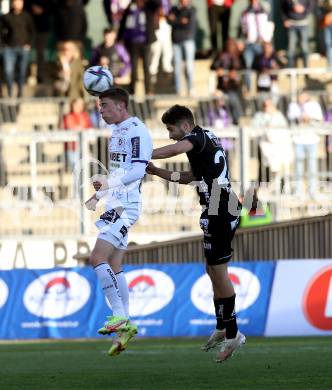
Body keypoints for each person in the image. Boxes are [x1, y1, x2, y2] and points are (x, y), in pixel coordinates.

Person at [146, 105, 245, 363]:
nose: (170, 135)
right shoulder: (205, 138)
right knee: (212, 270)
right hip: (219, 206)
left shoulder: (195, 139)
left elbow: (177, 149)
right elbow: (190, 176)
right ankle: (223, 326)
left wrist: (143, 154)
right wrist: (157, 172)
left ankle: (233, 333)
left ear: (186, 126)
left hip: (219, 208)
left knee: (219, 272)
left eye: (171, 129)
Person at [85, 87, 153, 356]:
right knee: (114, 263)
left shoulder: (137, 130)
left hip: (125, 206)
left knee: (96, 257)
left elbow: (138, 169)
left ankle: (120, 316)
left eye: (104, 106)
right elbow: (119, 171)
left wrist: (108, 184)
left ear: (121, 106)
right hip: (115, 203)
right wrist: (98, 195)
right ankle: (125, 326)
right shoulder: (117, 133)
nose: (100, 111)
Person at [62, 97, 92, 171]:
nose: (79, 106)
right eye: (77, 104)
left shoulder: (85, 115)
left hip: (84, 147)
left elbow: (89, 128)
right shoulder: (68, 116)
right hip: (72, 148)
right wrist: (80, 128)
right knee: (75, 169)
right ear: (72, 105)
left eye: (81, 105)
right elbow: (71, 127)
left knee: (85, 169)